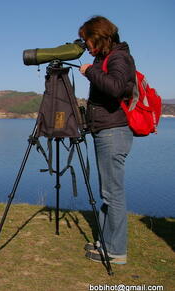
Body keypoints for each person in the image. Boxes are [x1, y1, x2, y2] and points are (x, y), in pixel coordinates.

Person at [78, 16, 136, 265]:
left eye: (87, 39)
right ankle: (106, 241)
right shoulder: (105, 59)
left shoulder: (119, 57)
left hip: (114, 132)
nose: (85, 45)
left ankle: (116, 252)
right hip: (105, 131)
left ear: (99, 37)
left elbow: (115, 87)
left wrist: (90, 71)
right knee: (107, 192)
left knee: (113, 193)